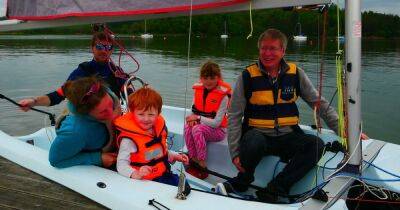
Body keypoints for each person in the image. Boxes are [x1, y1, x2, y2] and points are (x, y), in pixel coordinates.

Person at [218, 28, 339, 201]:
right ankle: (243, 180)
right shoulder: (247, 76)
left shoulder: (296, 74)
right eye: (264, 48)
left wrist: (344, 130)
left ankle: (275, 189)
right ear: (259, 50)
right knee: (254, 141)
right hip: (257, 137)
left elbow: (319, 104)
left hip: (287, 136)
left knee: (316, 145)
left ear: (283, 51)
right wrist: (235, 152)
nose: (267, 53)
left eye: (273, 48)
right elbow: (235, 116)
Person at [18, 32, 127, 111]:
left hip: (113, 117)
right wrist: (33, 102)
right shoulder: (83, 71)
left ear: (112, 50)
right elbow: (59, 95)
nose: (104, 50)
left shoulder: (117, 71)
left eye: (108, 47)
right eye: (99, 46)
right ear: (92, 48)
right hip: (88, 120)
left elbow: (130, 95)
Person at [114, 87, 190, 194]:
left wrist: (173, 155)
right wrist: (136, 173)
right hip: (145, 182)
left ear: (158, 113)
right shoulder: (129, 140)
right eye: (141, 114)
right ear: (132, 113)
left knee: (185, 186)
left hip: (163, 174)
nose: (146, 119)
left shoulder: (156, 129)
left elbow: (155, 153)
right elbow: (121, 164)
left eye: (151, 114)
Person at [48, 77, 120, 168]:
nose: (111, 114)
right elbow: (55, 160)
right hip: (99, 151)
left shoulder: (103, 92)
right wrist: (97, 159)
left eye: (110, 104)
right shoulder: (74, 133)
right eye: (103, 111)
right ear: (87, 113)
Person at [184, 61, 231, 179]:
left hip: (218, 130)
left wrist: (198, 118)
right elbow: (193, 111)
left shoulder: (223, 96)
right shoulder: (198, 90)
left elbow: (216, 123)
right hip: (202, 125)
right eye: (205, 78)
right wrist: (192, 119)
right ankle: (193, 159)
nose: (209, 81)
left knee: (197, 129)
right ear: (201, 78)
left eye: (212, 78)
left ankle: (202, 164)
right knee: (188, 126)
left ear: (218, 78)